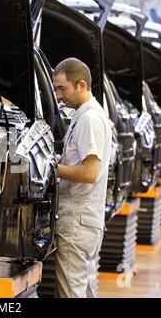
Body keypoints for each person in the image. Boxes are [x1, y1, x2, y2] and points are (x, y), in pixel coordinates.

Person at [52, 57, 112, 298]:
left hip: (78, 220)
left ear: (82, 86)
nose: (58, 95)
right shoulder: (82, 115)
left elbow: (89, 173)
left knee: (71, 293)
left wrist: (52, 168)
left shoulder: (90, 119)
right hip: (83, 219)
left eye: (62, 89)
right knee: (83, 290)